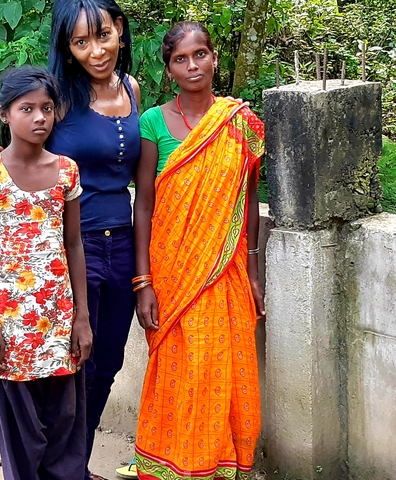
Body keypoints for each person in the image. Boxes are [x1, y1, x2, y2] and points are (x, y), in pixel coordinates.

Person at [0, 1, 140, 479]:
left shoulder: (131, 89)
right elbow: (23, 136)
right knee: (70, 368)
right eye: (80, 41)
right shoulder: (59, 94)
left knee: (105, 361)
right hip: (68, 247)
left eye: (102, 35)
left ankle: (72, 466)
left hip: (120, 242)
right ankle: (55, 468)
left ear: (119, 31)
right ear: (66, 46)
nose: (95, 50)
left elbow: (139, 174)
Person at [132, 21, 265, 480]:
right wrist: (143, 282)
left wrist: (251, 269)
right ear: (168, 69)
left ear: (213, 58)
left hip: (224, 273)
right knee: (182, 372)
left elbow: (246, 202)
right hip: (171, 273)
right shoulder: (152, 121)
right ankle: (171, 465)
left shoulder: (239, 123)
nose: (193, 66)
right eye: (180, 59)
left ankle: (218, 467)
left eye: (200, 55)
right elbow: (144, 205)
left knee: (222, 374)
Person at [0, 65, 92, 479]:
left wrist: (82, 318)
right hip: (13, 326)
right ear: (5, 114)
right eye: (27, 108)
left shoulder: (67, 171)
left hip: (59, 322)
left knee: (64, 427)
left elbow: (74, 245)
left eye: (47, 108)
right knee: (23, 435)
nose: (40, 117)